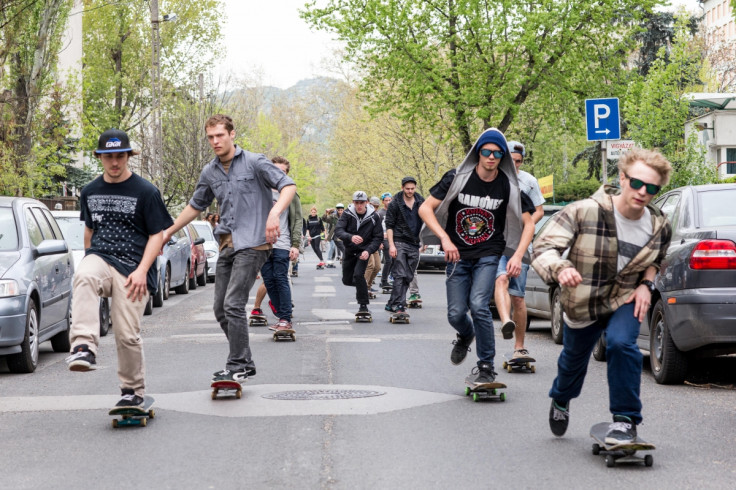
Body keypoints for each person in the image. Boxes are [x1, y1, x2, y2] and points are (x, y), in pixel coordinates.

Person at [532, 148, 672, 443]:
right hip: (583, 299)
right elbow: (543, 247)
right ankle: (561, 397)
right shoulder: (584, 210)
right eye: (636, 183)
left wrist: (647, 285)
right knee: (573, 360)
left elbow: (655, 260)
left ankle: (624, 420)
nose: (642, 192)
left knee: (622, 345)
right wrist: (560, 269)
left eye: (652, 188)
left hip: (625, 297)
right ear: (622, 178)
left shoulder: (659, 224)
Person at [164, 114, 296, 383]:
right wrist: (168, 230)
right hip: (227, 244)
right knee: (220, 309)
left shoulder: (255, 162)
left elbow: (288, 186)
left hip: (254, 243)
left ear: (232, 134)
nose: (215, 141)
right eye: (210, 137)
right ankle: (245, 361)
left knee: (234, 303)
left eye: (219, 135)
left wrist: (274, 214)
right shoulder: (209, 171)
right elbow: (195, 205)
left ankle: (236, 364)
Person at [65, 128, 173, 408]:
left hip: (134, 269)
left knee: (126, 335)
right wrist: (90, 259)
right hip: (102, 256)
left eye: (120, 156)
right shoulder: (89, 191)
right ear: (100, 157)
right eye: (109, 157)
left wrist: (142, 270)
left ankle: (132, 391)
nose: (115, 163)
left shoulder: (146, 191)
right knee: (85, 274)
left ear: (128, 156)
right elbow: (89, 231)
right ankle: (83, 347)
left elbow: (157, 235)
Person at [418, 128, 534, 385]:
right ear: (478, 153)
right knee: (456, 314)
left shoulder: (508, 185)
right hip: (457, 254)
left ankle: (486, 366)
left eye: (496, 153)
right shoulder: (457, 178)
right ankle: (465, 334)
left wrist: (517, 255)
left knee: (479, 305)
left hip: (489, 253)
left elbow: (529, 223)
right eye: (486, 151)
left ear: (502, 156)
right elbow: (425, 208)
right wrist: (444, 238)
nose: (491, 157)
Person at [493, 141, 546, 359]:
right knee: (501, 280)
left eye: (518, 161)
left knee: (518, 298)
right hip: (497, 243)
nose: (514, 164)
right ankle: (506, 321)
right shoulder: (493, 177)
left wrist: (526, 225)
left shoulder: (529, 181)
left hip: (521, 243)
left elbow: (540, 211)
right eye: (511, 160)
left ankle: (519, 346)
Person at [259, 156, 302, 332]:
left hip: (282, 243)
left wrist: (295, 244)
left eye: (282, 172)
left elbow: (297, 220)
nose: (278, 174)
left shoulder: (290, 194)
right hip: (261, 244)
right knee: (268, 280)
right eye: (275, 170)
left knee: (280, 278)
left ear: (287, 174)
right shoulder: (260, 191)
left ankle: (285, 318)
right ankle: (281, 312)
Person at [335, 191, 383, 317]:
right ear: (353, 202)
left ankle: (363, 306)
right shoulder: (347, 214)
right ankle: (362, 286)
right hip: (350, 250)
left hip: (364, 252)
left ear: (367, 203)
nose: (359, 205)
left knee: (358, 274)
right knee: (346, 280)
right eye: (357, 203)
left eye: (362, 203)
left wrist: (368, 251)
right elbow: (338, 230)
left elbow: (378, 237)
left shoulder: (374, 217)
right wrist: (350, 237)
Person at [384, 177, 424, 315]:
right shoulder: (395, 203)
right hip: (399, 241)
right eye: (407, 189)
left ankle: (392, 303)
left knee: (408, 275)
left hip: (414, 243)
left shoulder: (421, 202)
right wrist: (391, 245)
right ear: (402, 188)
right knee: (400, 274)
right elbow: (389, 225)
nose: (410, 191)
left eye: (412, 188)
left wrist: (424, 242)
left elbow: (426, 222)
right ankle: (400, 306)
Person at [364, 196, 383, 292]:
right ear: (368, 204)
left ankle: (368, 286)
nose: (374, 209)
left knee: (377, 267)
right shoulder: (364, 214)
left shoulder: (377, 216)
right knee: (370, 265)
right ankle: (362, 288)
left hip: (374, 244)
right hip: (365, 245)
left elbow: (379, 231)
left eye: (376, 207)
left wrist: (380, 241)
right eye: (373, 206)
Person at [378, 192, 393, 290]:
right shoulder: (380, 213)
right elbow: (376, 228)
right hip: (384, 239)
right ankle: (384, 281)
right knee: (389, 260)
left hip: (392, 238)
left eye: (389, 200)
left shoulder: (393, 211)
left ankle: (389, 278)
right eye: (386, 200)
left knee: (394, 260)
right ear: (383, 201)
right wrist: (379, 241)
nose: (388, 202)